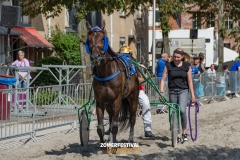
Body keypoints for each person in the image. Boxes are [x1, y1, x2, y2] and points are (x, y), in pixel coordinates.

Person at [159, 48, 196, 143]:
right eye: (174, 57)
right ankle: (177, 134)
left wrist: (193, 95)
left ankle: (184, 132)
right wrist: (161, 92)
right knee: (174, 112)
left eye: (178, 57)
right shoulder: (168, 66)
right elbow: (163, 80)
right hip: (172, 91)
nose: (176, 59)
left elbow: (190, 81)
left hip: (183, 90)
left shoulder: (186, 66)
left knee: (182, 110)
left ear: (182, 57)